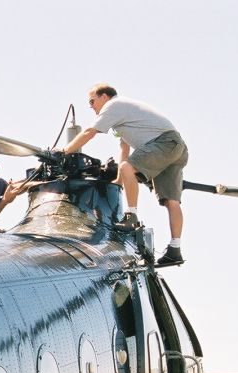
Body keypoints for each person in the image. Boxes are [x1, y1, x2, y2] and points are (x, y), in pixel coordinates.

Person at [61, 83, 189, 267]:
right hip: (177, 148)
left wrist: (64, 151)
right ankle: (175, 249)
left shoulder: (113, 106)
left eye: (92, 101)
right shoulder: (125, 113)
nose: (91, 106)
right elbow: (124, 147)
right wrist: (119, 181)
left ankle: (131, 216)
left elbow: (90, 132)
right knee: (172, 201)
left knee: (127, 167)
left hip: (164, 143)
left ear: (104, 96)